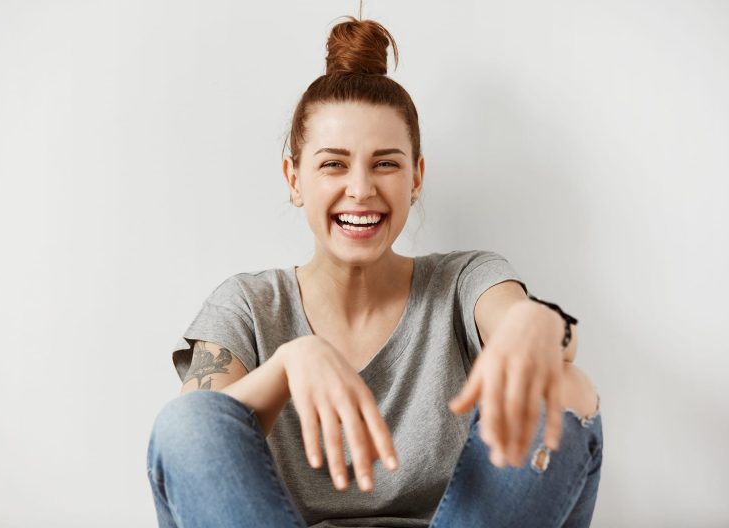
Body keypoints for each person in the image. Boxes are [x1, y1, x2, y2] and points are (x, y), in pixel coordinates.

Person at [146, 15, 603, 528]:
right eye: (334, 164)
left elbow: (531, 330)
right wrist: (289, 365)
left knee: (566, 388)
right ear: (294, 178)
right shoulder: (248, 304)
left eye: (385, 164)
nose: (361, 189)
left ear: (416, 177)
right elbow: (194, 437)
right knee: (185, 422)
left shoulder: (463, 282)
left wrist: (537, 324)